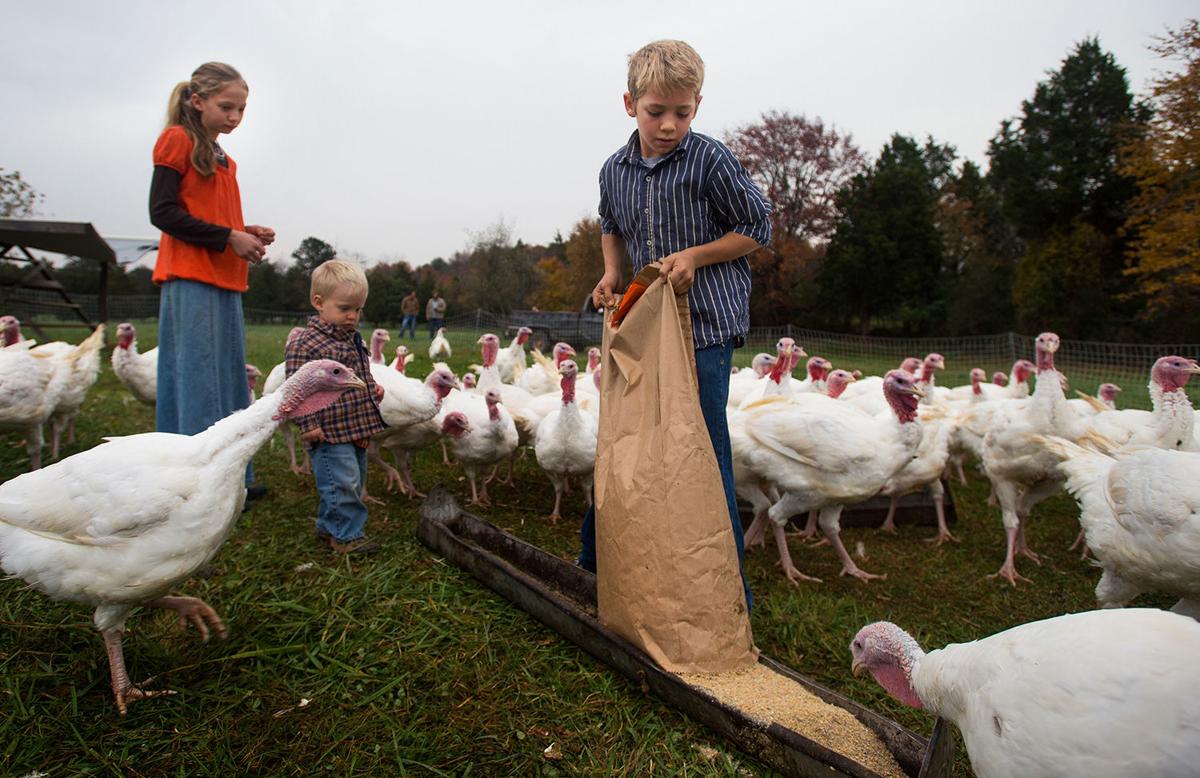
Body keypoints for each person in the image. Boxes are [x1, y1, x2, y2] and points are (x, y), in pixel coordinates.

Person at [578, 40, 772, 609]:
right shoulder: (613, 169)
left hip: (705, 328)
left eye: (682, 113)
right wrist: (612, 273)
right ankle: (598, 558)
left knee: (704, 449)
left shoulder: (710, 160)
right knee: (628, 438)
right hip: (643, 325)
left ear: (698, 106)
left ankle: (728, 589)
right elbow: (610, 223)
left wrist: (695, 256)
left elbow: (756, 227)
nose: (668, 125)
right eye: (655, 111)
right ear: (629, 103)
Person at [149, 61, 275, 507]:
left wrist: (244, 230)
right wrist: (228, 237)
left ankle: (232, 476)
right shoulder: (177, 140)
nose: (235, 117)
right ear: (196, 100)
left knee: (227, 378)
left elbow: (211, 216)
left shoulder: (225, 158)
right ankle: (195, 487)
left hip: (224, 278)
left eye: (242, 110)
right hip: (190, 276)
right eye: (227, 107)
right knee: (196, 378)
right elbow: (162, 213)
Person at [285, 260, 388, 554]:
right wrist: (309, 424)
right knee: (343, 483)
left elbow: (360, 373)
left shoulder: (352, 338)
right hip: (328, 429)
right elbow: (296, 389)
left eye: (358, 310)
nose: (353, 316)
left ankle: (328, 526)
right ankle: (346, 537)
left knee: (350, 479)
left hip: (355, 424)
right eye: (345, 309)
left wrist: (372, 389)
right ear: (319, 302)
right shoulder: (305, 345)